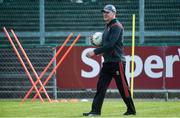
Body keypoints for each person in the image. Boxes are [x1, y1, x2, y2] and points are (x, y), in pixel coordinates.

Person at [83, 4, 136, 116]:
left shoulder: (117, 26)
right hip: (108, 62)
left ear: (113, 13)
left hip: (117, 62)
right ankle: (95, 111)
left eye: (107, 12)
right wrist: (96, 41)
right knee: (100, 87)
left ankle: (131, 110)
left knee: (123, 88)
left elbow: (111, 45)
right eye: (104, 12)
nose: (105, 14)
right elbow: (106, 44)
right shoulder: (108, 27)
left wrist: (95, 51)